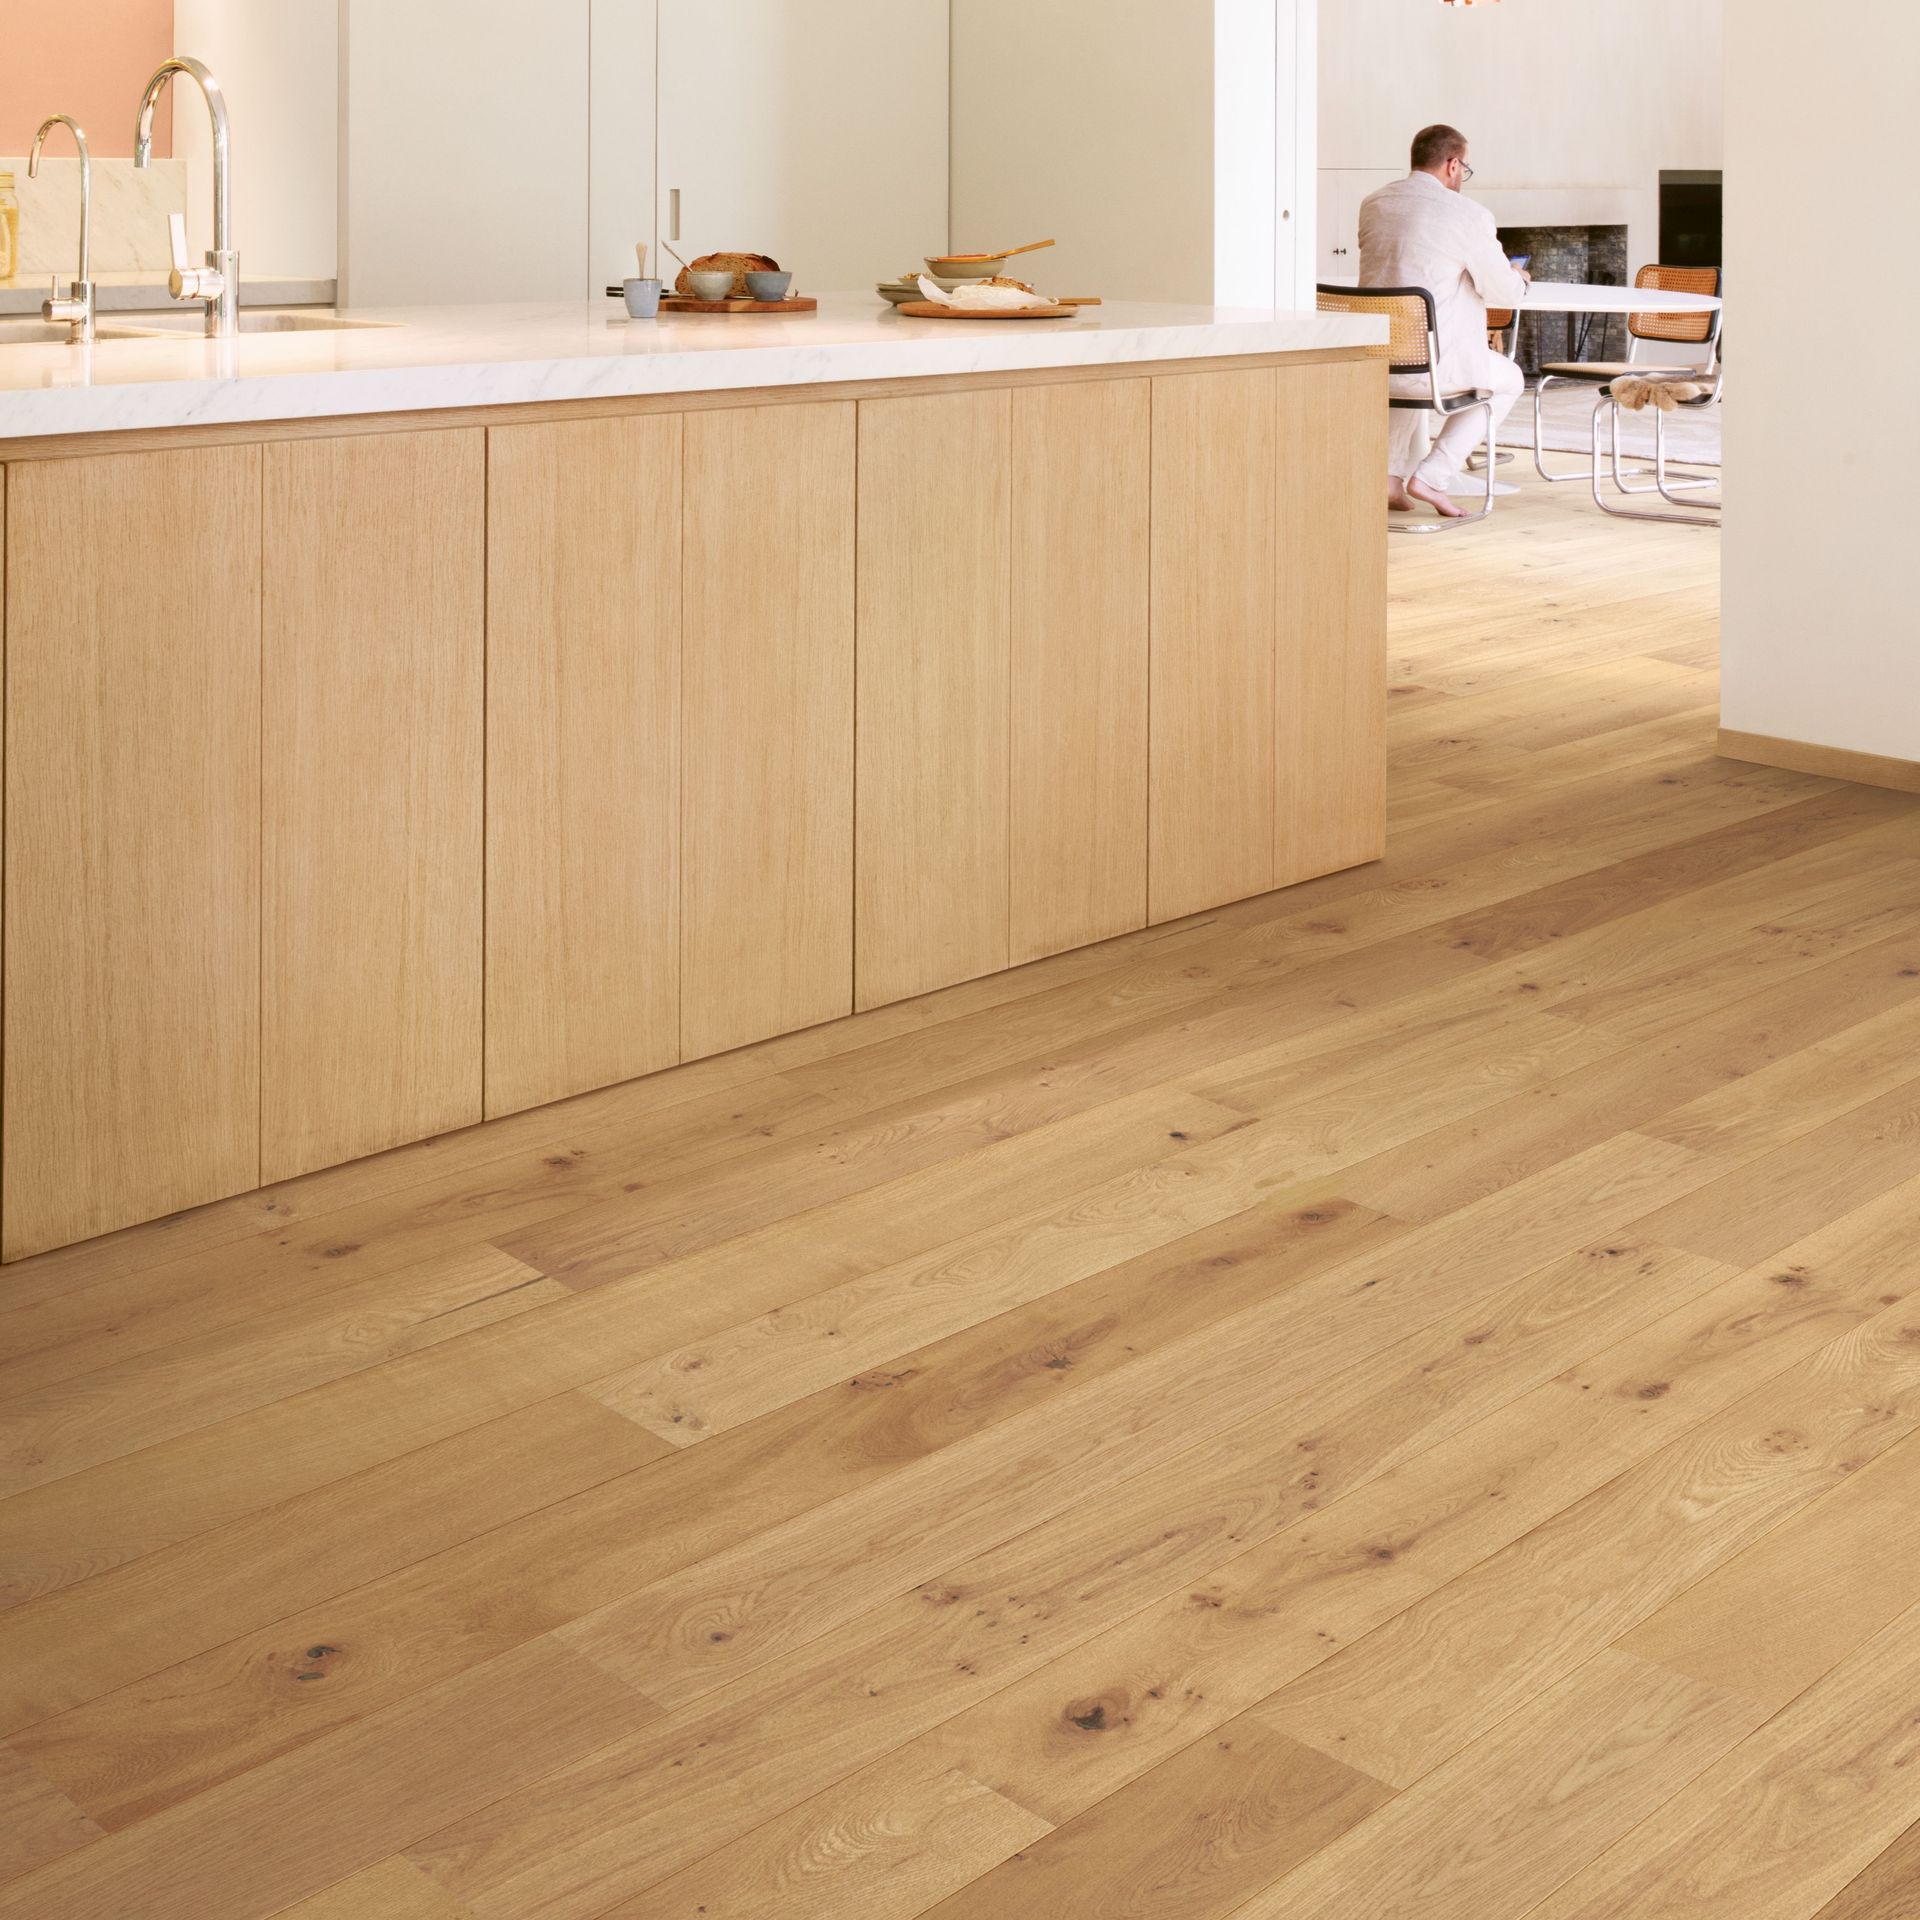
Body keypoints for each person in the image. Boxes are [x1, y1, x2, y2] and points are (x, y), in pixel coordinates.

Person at [1358, 125, 1530, 519]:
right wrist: (1520, 278)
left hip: (1377, 359)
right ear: (1454, 164)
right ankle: (1433, 477)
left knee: (1408, 351)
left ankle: (1387, 481)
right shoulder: (1468, 215)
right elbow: (1505, 291)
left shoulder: (1374, 203)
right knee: (1510, 380)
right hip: (1434, 368)